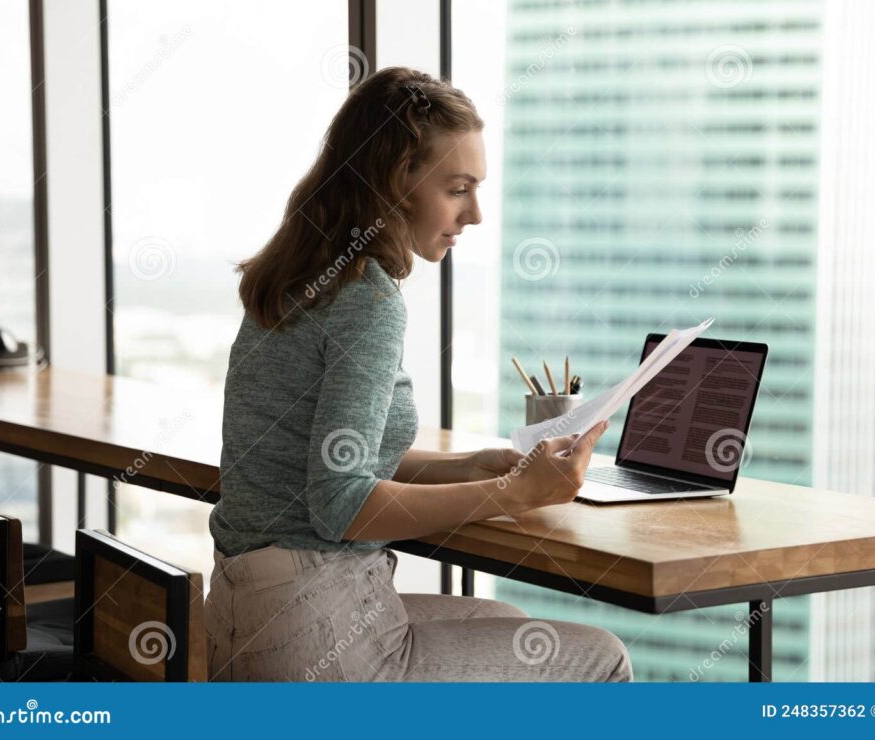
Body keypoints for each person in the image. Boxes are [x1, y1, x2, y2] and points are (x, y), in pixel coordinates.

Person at [205, 66, 632, 682]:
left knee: (512, 619)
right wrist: (515, 494)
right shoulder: (368, 301)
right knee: (602, 657)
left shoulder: (296, 278)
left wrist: (465, 468)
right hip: (316, 635)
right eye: (458, 188)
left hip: (244, 617)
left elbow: (323, 462)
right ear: (395, 181)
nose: (477, 213)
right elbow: (340, 505)